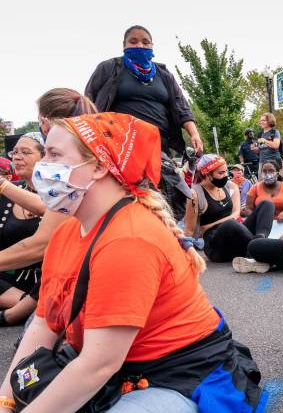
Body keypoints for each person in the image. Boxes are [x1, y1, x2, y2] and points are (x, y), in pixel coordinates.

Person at [0, 113, 266, 413]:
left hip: (176, 374)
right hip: (113, 367)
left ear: (99, 166)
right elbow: (43, 326)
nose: (42, 166)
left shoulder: (129, 238)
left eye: (54, 154)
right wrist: (6, 401)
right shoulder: (66, 233)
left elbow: (96, 366)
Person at [0, 89, 98, 328]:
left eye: (53, 154)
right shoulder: (91, 161)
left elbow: (40, 245)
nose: (47, 162)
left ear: (45, 123)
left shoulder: (74, 176)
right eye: (15, 153)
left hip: (102, 292)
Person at [84, 25, 203, 155]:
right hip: (121, 145)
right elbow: (87, 101)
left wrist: (194, 134)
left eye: (145, 42)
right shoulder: (109, 68)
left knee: (165, 175)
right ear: (124, 45)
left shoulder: (164, 75)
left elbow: (182, 108)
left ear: (152, 45)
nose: (140, 46)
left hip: (159, 146)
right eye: (133, 42)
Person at [184, 155, 273, 263]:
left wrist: (208, 226)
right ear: (207, 174)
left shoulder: (231, 186)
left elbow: (236, 214)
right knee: (230, 224)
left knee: (267, 204)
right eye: (221, 173)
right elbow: (189, 230)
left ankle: (259, 242)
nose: (226, 175)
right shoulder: (195, 194)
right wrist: (187, 255)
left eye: (226, 171)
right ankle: (261, 250)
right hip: (216, 246)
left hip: (236, 233)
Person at [0, 133, 46, 326]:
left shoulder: (61, 194)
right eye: (15, 152)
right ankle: (27, 308)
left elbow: (45, 207)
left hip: (42, 283)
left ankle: (31, 307)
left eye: (25, 152)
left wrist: (3, 185)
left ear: (46, 158)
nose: (17, 157)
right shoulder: (11, 190)